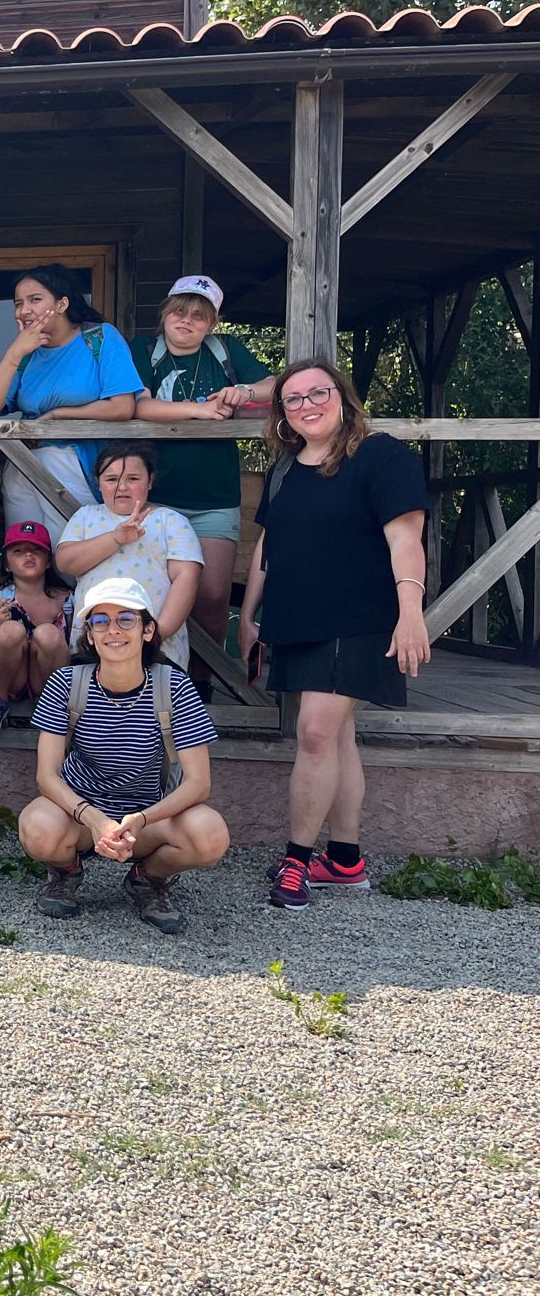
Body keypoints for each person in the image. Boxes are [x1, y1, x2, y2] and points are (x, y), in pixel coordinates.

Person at [241, 359, 430, 911]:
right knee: (339, 737)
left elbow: (406, 538)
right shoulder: (284, 470)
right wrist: (249, 615)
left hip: (359, 617)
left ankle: (297, 862)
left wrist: (411, 611)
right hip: (297, 618)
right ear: (282, 415)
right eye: (293, 400)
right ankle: (345, 862)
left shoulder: (381, 455)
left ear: (342, 396)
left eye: (316, 393)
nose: (306, 405)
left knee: (316, 734)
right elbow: (267, 548)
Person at [21, 577, 228, 935]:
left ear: (148, 630)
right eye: (100, 621)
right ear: (89, 635)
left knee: (210, 835)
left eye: (126, 619)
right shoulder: (66, 683)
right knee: (37, 827)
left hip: (149, 814)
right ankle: (66, 872)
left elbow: (198, 783)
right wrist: (96, 820)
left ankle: (146, 879)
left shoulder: (174, 686)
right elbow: (47, 776)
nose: (112, 630)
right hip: (79, 813)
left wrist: (141, 820)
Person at [131, 275, 275, 684]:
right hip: (157, 493)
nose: (186, 320)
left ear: (211, 323)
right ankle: (150, 679)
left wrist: (243, 392)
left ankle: (200, 684)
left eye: (199, 315)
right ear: (164, 314)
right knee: (154, 592)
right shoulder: (143, 350)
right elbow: (138, 406)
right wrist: (198, 411)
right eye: (179, 310)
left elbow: (278, 385)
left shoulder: (226, 351)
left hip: (215, 495)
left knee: (212, 597)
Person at [0, 265, 142, 532]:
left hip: (78, 463)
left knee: (75, 553)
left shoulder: (100, 338)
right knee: (28, 554)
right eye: (18, 304)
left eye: (35, 300)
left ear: (62, 303)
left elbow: (122, 407)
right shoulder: (26, 354)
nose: (24, 310)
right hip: (22, 463)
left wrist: (57, 415)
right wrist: (13, 354)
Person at [55, 444, 201, 669]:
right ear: (98, 483)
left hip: (158, 647)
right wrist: (115, 538)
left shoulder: (171, 520)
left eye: (133, 478)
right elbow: (66, 562)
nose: (122, 487)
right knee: (93, 703)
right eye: (111, 479)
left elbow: (186, 579)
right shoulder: (85, 516)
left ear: (150, 480)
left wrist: (154, 636)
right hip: (93, 644)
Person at [0, 520, 73, 731]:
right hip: (9, 679)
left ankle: (57, 706)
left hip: (47, 680)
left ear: (49, 562)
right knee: (10, 630)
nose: (28, 555)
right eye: (18, 551)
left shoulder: (66, 599)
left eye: (37, 550)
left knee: (48, 634)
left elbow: (74, 651)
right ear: (6, 563)